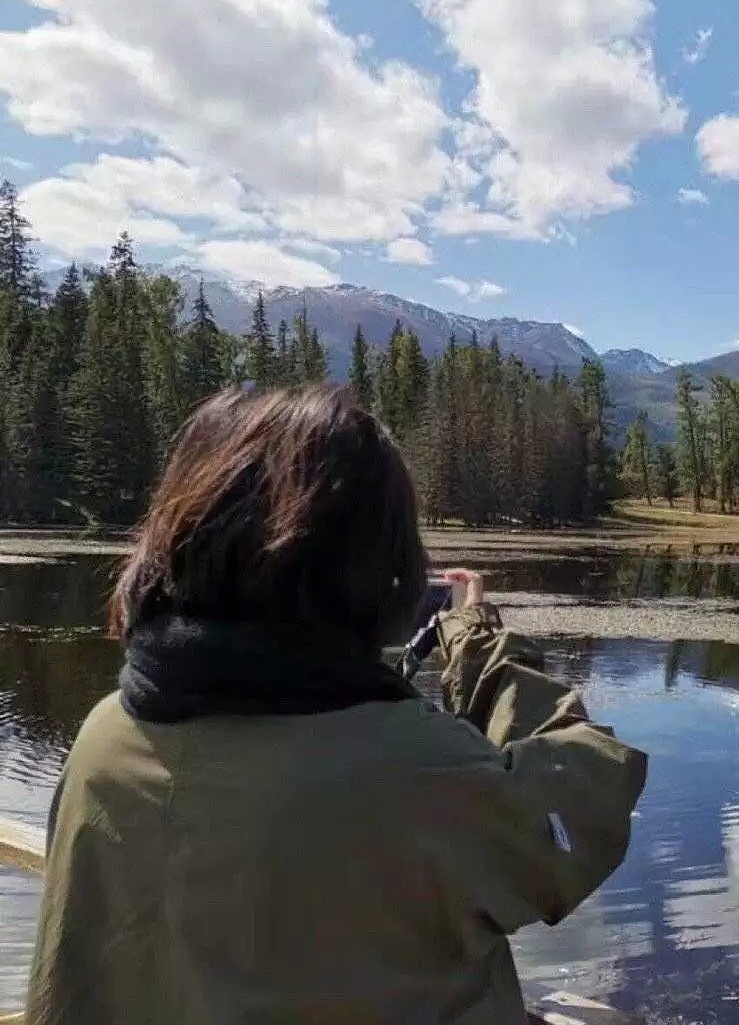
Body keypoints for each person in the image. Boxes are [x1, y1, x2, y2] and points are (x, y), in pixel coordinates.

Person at [26, 385, 647, 1025]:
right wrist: (475, 641)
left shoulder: (105, 734)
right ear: (371, 565)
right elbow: (579, 802)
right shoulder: (409, 767)